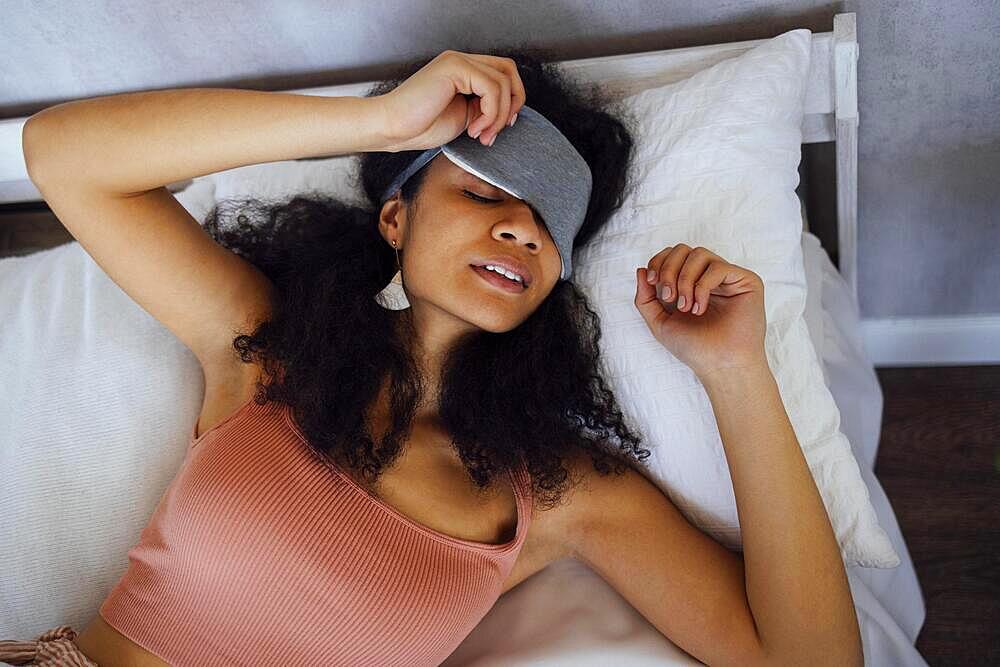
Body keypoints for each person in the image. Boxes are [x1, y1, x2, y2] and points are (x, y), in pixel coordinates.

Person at [5, 47, 862, 666]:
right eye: (483, 191)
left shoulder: (553, 492)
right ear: (394, 219)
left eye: (547, 226)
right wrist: (375, 123)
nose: (520, 226)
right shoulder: (266, 350)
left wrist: (737, 371)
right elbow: (63, 155)